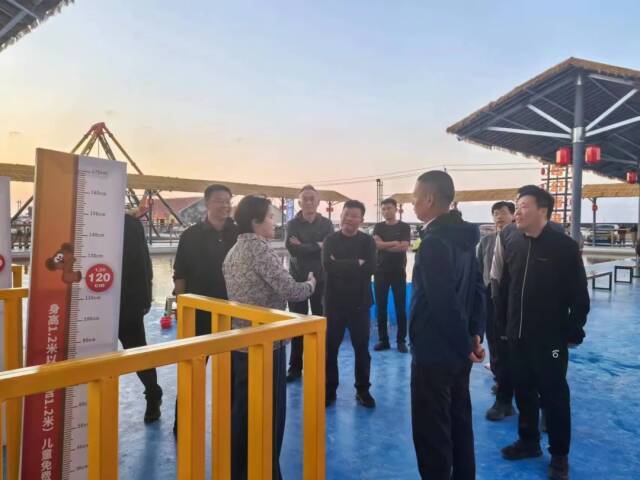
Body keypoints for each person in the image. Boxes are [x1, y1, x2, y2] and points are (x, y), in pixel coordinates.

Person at [496, 185, 590, 480]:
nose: (517, 213)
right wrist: (503, 327)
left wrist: (572, 331)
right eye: (516, 207)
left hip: (550, 340)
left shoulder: (564, 247)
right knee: (523, 390)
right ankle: (529, 442)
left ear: (543, 211)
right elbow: (506, 288)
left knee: (554, 395)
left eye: (523, 206)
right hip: (517, 335)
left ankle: (559, 455)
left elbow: (579, 295)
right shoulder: (513, 241)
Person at [223, 195, 316, 480]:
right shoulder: (260, 251)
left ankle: (240, 470)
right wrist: (311, 283)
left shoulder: (233, 251)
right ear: (256, 221)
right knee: (269, 415)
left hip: (240, 342)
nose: (275, 223)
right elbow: (292, 290)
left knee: (243, 412)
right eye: (271, 217)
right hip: (267, 344)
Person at [409, 170, 486, 480]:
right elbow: (478, 290)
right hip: (459, 351)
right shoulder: (465, 239)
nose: (413, 204)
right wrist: (475, 334)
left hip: (434, 351)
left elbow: (443, 303)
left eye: (415, 198)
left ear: (429, 199)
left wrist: (466, 342)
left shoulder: (434, 243)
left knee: (432, 432)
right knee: (459, 422)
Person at [172, 184, 239, 434]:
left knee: (233, 371)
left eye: (228, 201)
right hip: (198, 312)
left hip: (233, 312)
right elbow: (180, 274)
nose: (225, 205)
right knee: (192, 368)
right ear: (207, 203)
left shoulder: (239, 233)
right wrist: (181, 306)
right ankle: (183, 421)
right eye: (220, 200)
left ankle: (231, 422)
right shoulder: (190, 236)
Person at [323, 200, 377, 408]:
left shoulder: (367, 241)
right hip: (334, 303)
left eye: (355, 216)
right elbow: (328, 266)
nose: (350, 219)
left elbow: (371, 268)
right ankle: (329, 390)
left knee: (362, 349)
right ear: (341, 216)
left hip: (360, 304)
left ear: (361, 219)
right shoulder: (330, 240)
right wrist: (356, 263)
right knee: (330, 349)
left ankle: (363, 390)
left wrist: (340, 264)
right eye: (346, 214)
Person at [285, 185, 333, 382]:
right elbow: (292, 249)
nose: (309, 202)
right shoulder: (292, 224)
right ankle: (295, 367)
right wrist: (317, 246)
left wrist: (304, 246)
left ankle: (320, 364)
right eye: (305, 198)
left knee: (321, 322)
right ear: (299, 202)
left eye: (312, 198)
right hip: (298, 280)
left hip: (321, 279)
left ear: (318, 202)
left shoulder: (327, 224)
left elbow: (328, 248)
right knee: (297, 323)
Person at [119, 211, 163, 423]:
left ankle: (152, 393)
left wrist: (145, 297)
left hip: (126, 301)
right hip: (91, 301)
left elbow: (143, 263)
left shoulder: (129, 224)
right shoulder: (79, 219)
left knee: (137, 351)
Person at [478, 201, 516, 421]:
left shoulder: (519, 240)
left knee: (512, 347)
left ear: (513, 215)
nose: (498, 217)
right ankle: (501, 381)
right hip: (490, 297)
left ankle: (508, 391)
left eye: (502, 213)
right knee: (494, 342)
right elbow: (478, 269)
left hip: (512, 301)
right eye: (495, 214)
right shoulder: (486, 241)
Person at [372, 197, 411, 353]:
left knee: (400, 307)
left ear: (396, 209)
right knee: (381, 307)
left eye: (389, 208)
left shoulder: (404, 227)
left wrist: (385, 246)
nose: (386, 211)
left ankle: (401, 341)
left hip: (398, 271)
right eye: (383, 209)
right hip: (380, 271)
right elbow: (376, 244)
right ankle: (383, 340)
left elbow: (404, 247)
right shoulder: (378, 227)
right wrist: (394, 243)